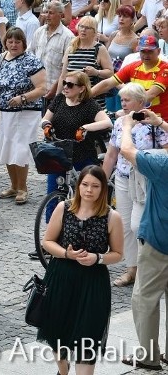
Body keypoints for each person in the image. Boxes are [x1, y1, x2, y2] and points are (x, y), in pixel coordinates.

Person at [38, 166, 123, 375]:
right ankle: (63, 370)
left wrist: (98, 258)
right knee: (58, 333)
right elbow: (47, 242)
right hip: (61, 277)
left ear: (103, 189)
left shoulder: (112, 217)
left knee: (88, 338)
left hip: (93, 283)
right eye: (85, 184)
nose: (89, 190)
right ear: (78, 186)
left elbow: (118, 253)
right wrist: (67, 254)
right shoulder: (63, 208)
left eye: (95, 186)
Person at [102, 84, 168, 290]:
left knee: (137, 225)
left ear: (141, 102)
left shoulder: (153, 122)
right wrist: (102, 181)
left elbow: (165, 151)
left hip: (146, 179)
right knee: (124, 227)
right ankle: (132, 269)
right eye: (122, 100)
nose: (124, 104)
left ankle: (149, 268)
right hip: (123, 177)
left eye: (128, 100)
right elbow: (112, 153)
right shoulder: (120, 123)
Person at [118, 109, 168, 370]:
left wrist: (127, 125)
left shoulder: (162, 164)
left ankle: (149, 356)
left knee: (145, 299)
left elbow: (127, 151)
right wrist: (160, 123)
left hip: (159, 240)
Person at [38, 71, 112, 233]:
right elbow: (45, 118)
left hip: (82, 154)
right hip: (59, 153)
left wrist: (85, 127)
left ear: (81, 89)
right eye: (64, 83)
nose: (65, 87)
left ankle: (87, 231)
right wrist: (46, 125)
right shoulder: (59, 100)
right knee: (53, 196)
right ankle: (51, 237)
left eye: (70, 84)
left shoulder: (89, 105)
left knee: (86, 195)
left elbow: (106, 122)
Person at [0, 27, 47, 206]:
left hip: (26, 112)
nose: (13, 45)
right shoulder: (1, 59)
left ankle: (23, 188)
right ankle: (14, 185)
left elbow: (42, 88)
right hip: (6, 111)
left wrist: (23, 98)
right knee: (7, 147)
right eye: (10, 41)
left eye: (17, 41)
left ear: (24, 43)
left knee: (21, 148)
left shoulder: (31, 61)